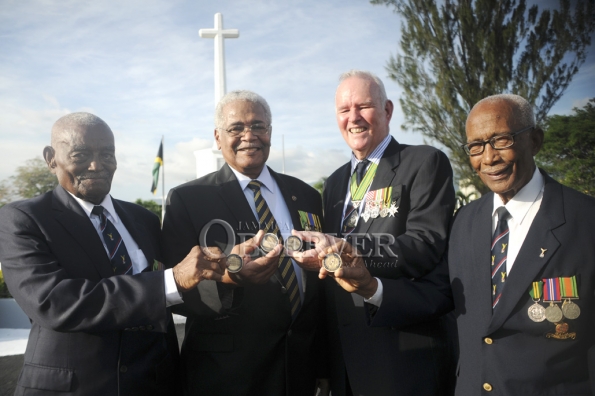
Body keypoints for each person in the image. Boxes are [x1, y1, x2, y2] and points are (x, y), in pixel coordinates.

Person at [0, 112, 226, 396]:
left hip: (154, 383)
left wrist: (230, 273)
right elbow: (54, 303)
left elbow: (176, 295)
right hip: (72, 388)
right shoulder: (23, 219)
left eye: (107, 154)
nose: (97, 165)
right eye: (81, 154)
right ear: (51, 158)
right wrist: (173, 280)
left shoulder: (143, 218)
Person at [161, 90, 326, 395]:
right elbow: (179, 294)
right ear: (217, 136)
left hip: (300, 369)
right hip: (225, 376)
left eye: (258, 126)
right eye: (236, 127)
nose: (249, 135)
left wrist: (325, 365)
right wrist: (229, 279)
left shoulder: (307, 196)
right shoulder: (187, 200)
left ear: (270, 133)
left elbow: (320, 290)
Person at [302, 70, 456, 395]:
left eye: (364, 107)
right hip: (345, 362)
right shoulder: (333, 183)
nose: (353, 118)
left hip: (401, 357)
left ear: (387, 110)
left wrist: (350, 248)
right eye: (344, 111)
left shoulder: (424, 162)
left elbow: (424, 245)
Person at [449, 94, 595, 395]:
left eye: (501, 140)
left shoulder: (586, 221)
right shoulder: (464, 221)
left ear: (535, 140)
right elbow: (443, 298)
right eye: (476, 147)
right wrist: (371, 286)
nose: (488, 158)